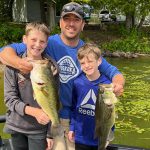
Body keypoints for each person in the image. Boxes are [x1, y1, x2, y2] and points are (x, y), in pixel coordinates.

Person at [0, 2, 125, 150]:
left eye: (76, 20)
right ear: (60, 23)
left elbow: (114, 72)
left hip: (75, 119)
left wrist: (118, 84)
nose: (71, 24)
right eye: (67, 19)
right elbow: (5, 52)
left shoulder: (86, 52)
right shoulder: (45, 42)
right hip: (53, 116)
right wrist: (21, 64)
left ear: (83, 25)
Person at [3, 22, 56, 150]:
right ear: (24, 39)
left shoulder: (51, 68)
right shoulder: (12, 65)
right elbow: (9, 99)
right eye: (33, 40)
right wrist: (34, 112)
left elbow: (53, 103)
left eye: (42, 41)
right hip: (16, 126)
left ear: (46, 44)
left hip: (38, 130)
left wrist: (50, 134)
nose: (37, 45)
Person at [68, 43, 115, 150]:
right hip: (81, 137)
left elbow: (111, 113)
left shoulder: (107, 85)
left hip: (100, 137)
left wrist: (109, 133)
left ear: (99, 61)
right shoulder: (77, 83)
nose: (87, 65)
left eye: (90, 61)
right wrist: (72, 127)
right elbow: (74, 107)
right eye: (83, 63)